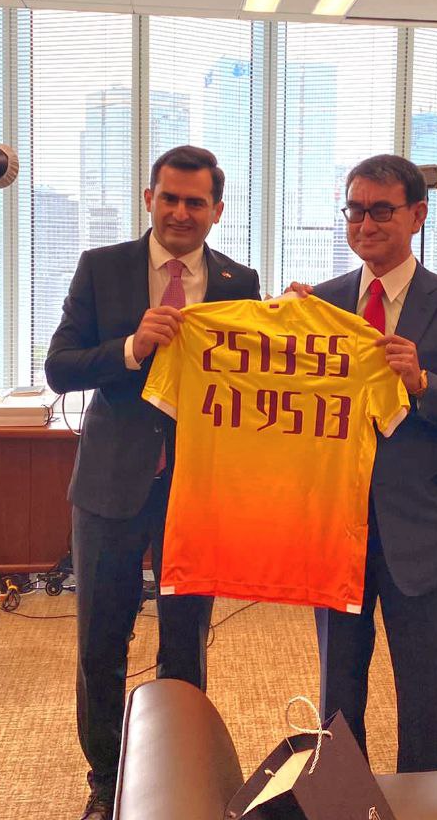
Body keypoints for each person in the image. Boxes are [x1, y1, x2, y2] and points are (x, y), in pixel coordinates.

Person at [44, 145, 261, 820]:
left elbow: (254, 379)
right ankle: (106, 780)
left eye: (196, 202)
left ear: (216, 211)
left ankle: (180, 778)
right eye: (169, 198)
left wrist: (293, 323)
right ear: (149, 199)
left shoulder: (240, 281)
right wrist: (132, 348)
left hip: (198, 490)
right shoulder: (102, 267)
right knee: (101, 642)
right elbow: (60, 367)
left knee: (185, 640)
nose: (180, 212)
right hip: (111, 483)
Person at [295, 154, 437, 772]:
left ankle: (428, 803)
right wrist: (284, 334)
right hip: (338, 528)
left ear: (417, 215)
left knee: (425, 692)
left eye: (381, 211)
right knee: (338, 690)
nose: (366, 224)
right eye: (355, 210)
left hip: (423, 529)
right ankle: (342, 802)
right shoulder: (322, 304)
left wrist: (422, 383)